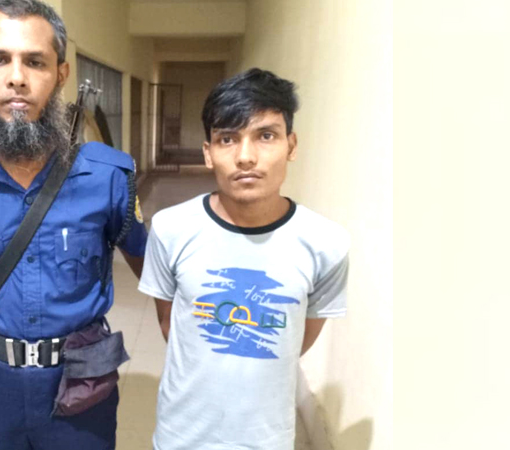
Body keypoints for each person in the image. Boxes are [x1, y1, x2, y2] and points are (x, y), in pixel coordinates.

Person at [0, 1, 147, 449]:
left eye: (35, 62)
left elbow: (155, 272)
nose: (17, 77)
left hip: (82, 380)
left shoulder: (110, 176)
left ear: (61, 73)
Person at [137, 68, 350, 450]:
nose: (246, 157)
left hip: (266, 438)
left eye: (266, 136)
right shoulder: (170, 229)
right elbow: (171, 324)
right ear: (208, 153)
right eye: (227, 139)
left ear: (291, 145)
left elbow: (295, 339)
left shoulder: (326, 244)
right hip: (181, 435)